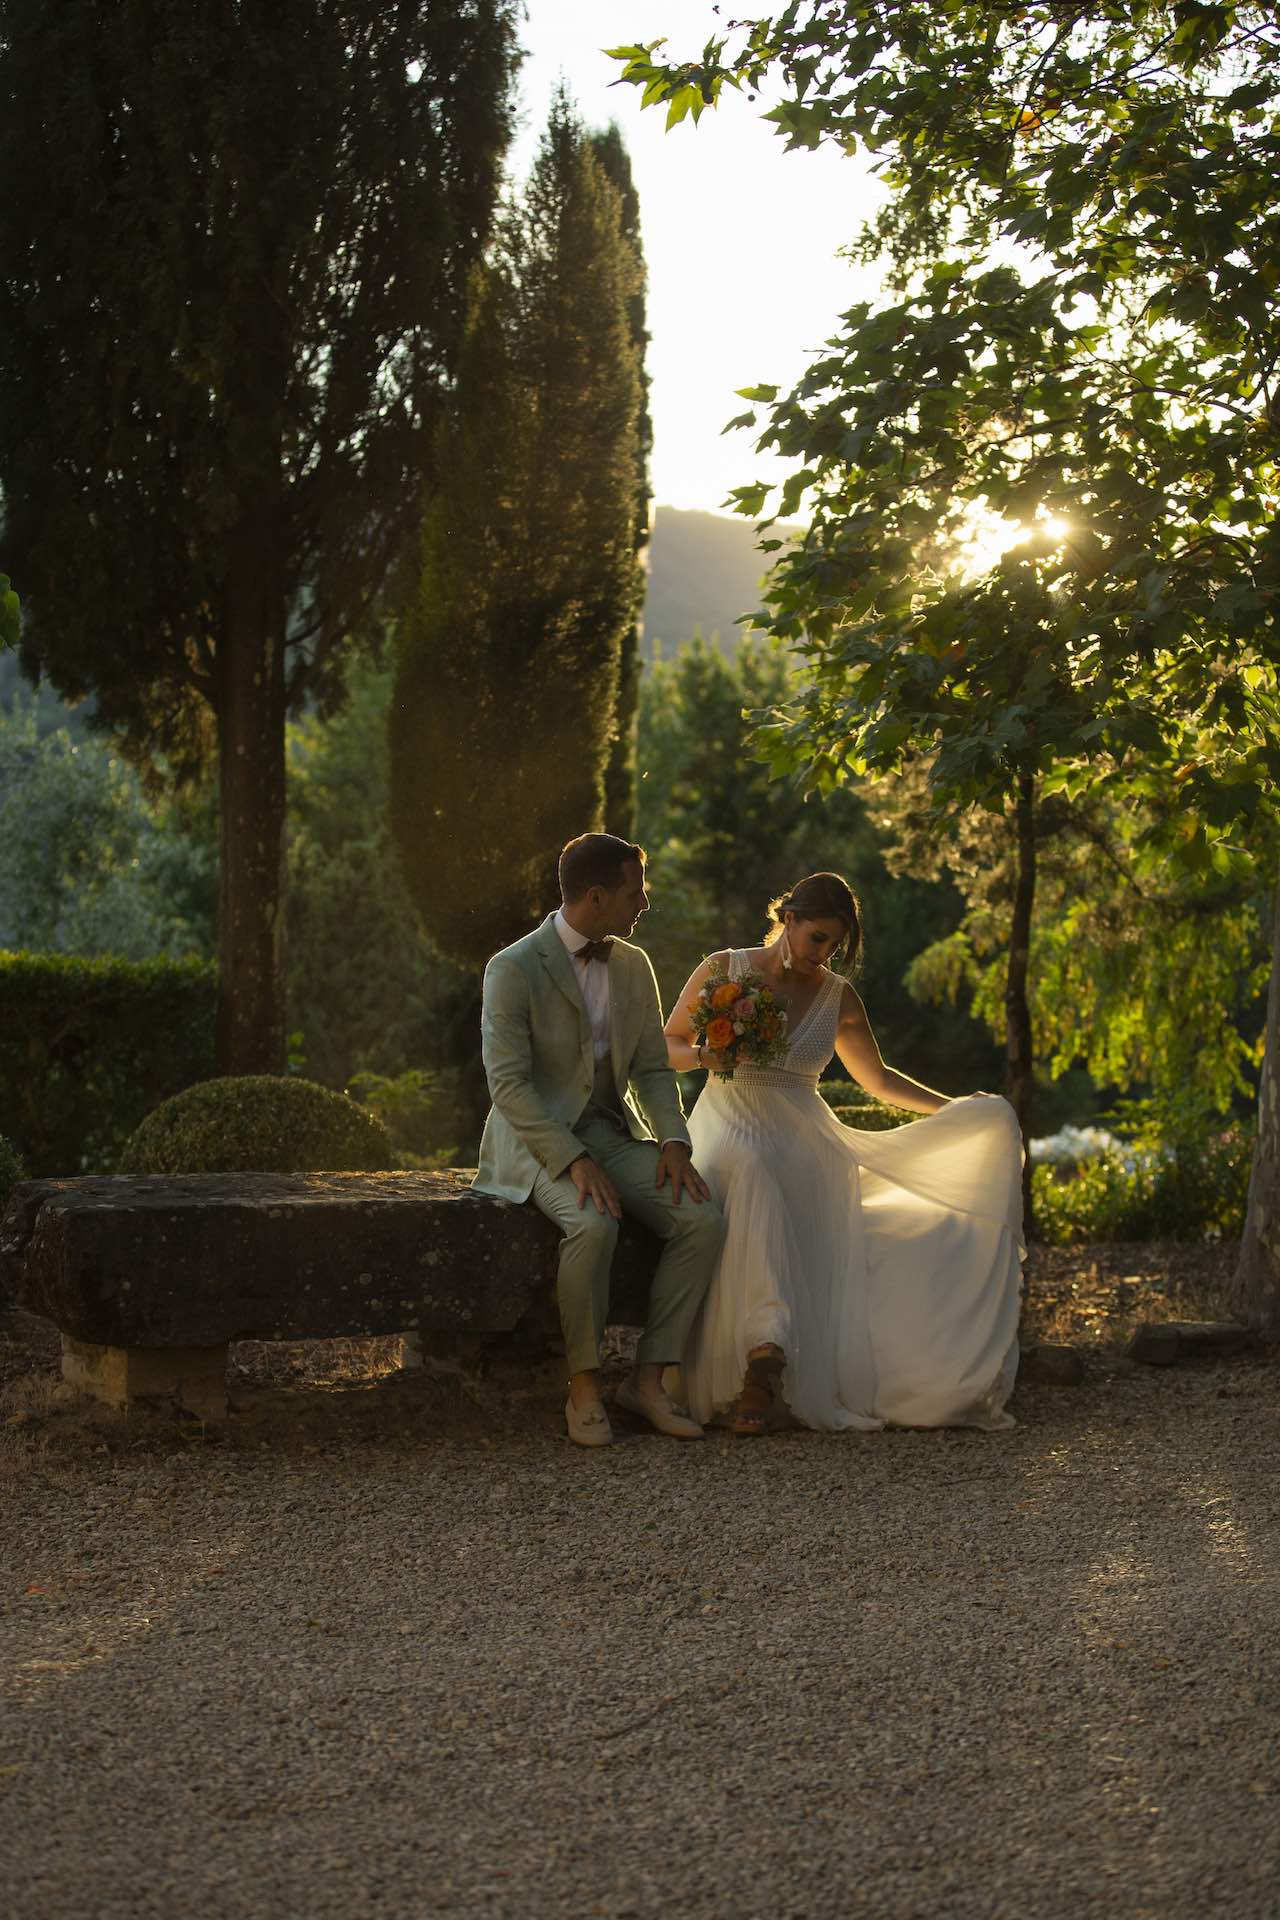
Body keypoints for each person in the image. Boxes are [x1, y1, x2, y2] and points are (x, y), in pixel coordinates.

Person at [663, 872, 1024, 1435]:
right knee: (752, 1166)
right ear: (788, 919)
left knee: (784, 1170)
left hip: (806, 1133)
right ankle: (764, 1350)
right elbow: (669, 1044)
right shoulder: (723, 968)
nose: (824, 953)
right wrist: (711, 1055)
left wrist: (955, 1111)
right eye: (818, 938)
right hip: (728, 1116)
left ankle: (768, 1358)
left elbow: (878, 1081)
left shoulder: (838, 997)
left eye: (836, 944)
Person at [473, 832, 725, 1447]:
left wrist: (673, 1141)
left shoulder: (635, 966)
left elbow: (652, 1069)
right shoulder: (510, 969)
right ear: (595, 896)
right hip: (538, 1140)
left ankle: (647, 1380)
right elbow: (508, 1088)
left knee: (701, 1216)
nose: (645, 903)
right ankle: (583, 1388)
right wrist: (573, 1158)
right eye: (636, 892)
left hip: (611, 1132)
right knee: (594, 1225)